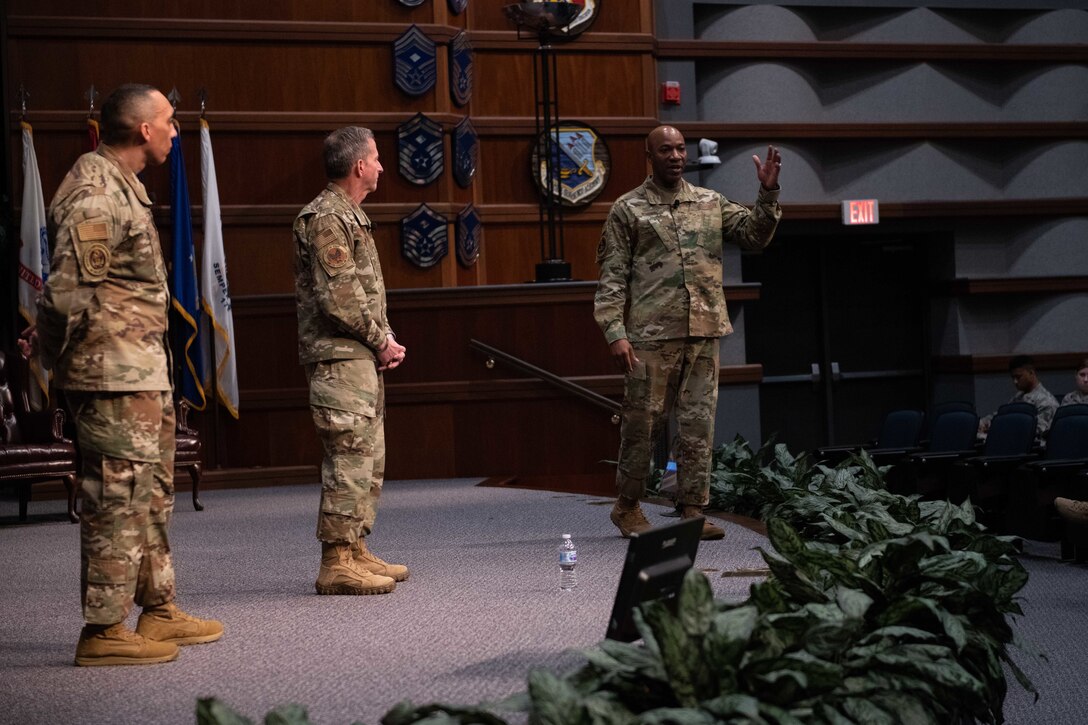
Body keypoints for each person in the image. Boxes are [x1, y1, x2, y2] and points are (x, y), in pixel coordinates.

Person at [19, 84, 223, 666]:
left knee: (151, 496)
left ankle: (157, 610)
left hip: (140, 374)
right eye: (170, 120)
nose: (176, 130)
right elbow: (64, 294)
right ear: (143, 130)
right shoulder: (94, 188)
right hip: (109, 378)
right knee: (116, 497)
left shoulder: (125, 185)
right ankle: (103, 630)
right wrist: (54, 359)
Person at [594, 125, 782, 540]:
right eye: (666, 150)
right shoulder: (628, 209)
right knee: (642, 424)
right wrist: (614, 332)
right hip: (650, 337)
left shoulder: (709, 203)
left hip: (703, 331)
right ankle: (627, 507)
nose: (676, 156)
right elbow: (612, 278)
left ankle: (692, 509)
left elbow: (754, 236)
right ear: (650, 156)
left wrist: (767, 194)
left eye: (681, 149)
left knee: (698, 425)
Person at [294, 127, 408, 595]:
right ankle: (335, 561)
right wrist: (382, 340)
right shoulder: (325, 218)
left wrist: (383, 338)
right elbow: (338, 299)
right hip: (338, 358)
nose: (381, 166)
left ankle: (356, 546)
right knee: (348, 457)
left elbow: (361, 293)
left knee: (368, 457)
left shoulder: (352, 216)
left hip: (357, 355)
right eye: (377, 159)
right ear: (359, 166)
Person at [978, 355, 1059, 439]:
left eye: (1018, 377)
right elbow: (1002, 414)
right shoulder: (1018, 397)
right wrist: (984, 423)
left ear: (1031, 373)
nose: (1015, 382)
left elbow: (1035, 430)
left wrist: (999, 428)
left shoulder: (1046, 401)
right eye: (1013, 378)